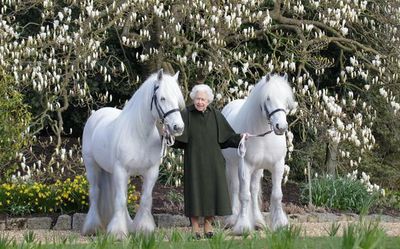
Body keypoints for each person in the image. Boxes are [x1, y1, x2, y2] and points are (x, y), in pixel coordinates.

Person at [172, 84, 248, 239]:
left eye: (203, 100)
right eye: (198, 99)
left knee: (213, 193)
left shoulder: (216, 115)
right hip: (194, 161)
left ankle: (208, 225)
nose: (200, 102)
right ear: (193, 98)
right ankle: (195, 227)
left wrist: (241, 137)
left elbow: (226, 139)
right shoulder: (185, 114)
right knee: (194, 193)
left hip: (214, 162)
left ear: (208, 101)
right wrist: (168, 136)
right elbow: (178, 140)